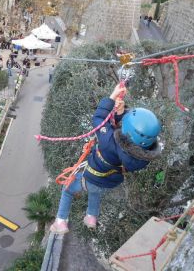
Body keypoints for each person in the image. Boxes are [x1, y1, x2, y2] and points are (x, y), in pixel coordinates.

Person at [49, 84, 162, 234]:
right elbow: (124, 136)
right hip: (109, 183)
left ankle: (60, 222)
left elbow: (98, 119)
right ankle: (91, 217)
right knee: (95, 192)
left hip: (92, 177)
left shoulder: (108, 140)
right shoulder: (142, 156)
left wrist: (112, 96)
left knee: (67, 189)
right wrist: (120, 113)